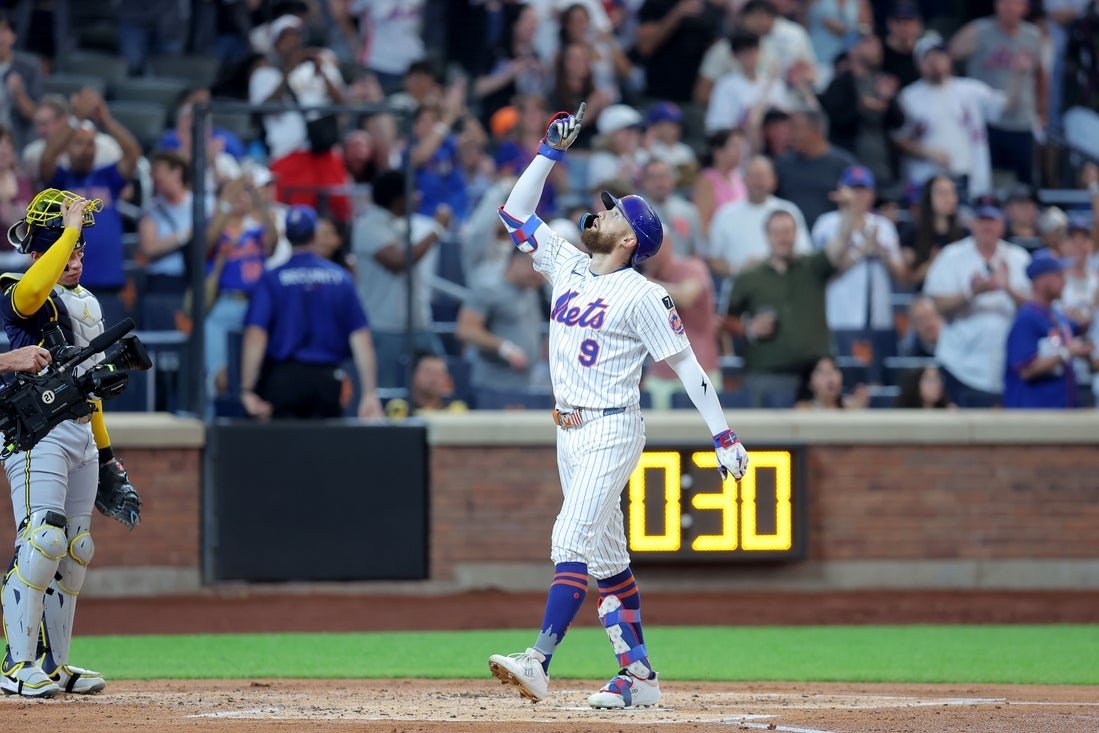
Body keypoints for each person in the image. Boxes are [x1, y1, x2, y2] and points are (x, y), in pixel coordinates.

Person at [486, 104, 749, 709]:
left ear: (628, 238)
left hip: (611, 427)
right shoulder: (571, 265)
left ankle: (539, 660)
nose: (599, 213)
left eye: (612, 212)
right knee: (607, 557)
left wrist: (724, 436)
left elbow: (687, 364)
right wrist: (550, 151)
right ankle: (639, 677)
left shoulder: (645, 296)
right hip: (569, 430)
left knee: (569, 534)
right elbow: (515, 212)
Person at [0, 190, 141, 698]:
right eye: (68, 248)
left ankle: (54, 664)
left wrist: (107, 457)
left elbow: (90, 383)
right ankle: (15, 663)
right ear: (42, 249)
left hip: (79, 427)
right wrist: (66, 232)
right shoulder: (19, 289)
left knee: (75, 549)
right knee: (43, 539)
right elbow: (33, 294)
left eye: (81, 249)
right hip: (33, 431)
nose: (76, 256)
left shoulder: (87, 302)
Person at [238, 205, 382, 420]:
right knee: (325, 450)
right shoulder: (340, 278)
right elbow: (361, 337)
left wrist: (247, 389)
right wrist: (370, 393)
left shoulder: (271, 278)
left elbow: (255, 335)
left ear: (287, 236)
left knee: (284, 450)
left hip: (282, 380)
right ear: (314, 234)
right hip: (327, 381)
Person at [725, 209, 856, 407]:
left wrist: (850, 209)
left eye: (787, 231)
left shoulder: (813, 266)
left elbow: (840, 244)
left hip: (813, 379)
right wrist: (749, 328)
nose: (782, 238)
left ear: (796, 234)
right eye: (776, 232)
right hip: (765, 374)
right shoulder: (748, 277)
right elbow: (726, 320)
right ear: (767, 236)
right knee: (764, 436)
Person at [39, 88, 142, 324]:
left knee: (110, 355)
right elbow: (46, 159)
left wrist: (105, 119)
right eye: (79, 143)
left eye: (91, 144)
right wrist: (75, 119)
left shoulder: (108, 178)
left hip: (109, 284)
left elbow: (133, 152)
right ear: (67, 147)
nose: (87, 149)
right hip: (69, 285)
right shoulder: (60, 181)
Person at [923, 197, 1031, 407]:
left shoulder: (1018, 258)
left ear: (1002, 224)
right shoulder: (951, 256)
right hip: (959, 366)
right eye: (981, 219)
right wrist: (972, 292)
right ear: (972, 222)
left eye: (992, 220)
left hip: (1008, 368)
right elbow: (938, 305)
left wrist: (1008, 289)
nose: (986, 225)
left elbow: (1036, 307)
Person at [350, 169, 450, 388]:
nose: (418, 197)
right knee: (387, 391)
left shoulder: (407, 222)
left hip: (419, 323)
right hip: (385, 327)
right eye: (413, 193)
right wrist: (438, 228)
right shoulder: (369, 225)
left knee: (441, 384)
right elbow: (399, 261)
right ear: (398, 198)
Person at [949, 0, 1045, 186]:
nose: (1009, 7)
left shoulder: (1032, 35)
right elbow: (947, 57)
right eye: (1004, 2)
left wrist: (1042, 110)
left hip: (1021, 120)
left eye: (1014, 3)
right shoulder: (977, 31)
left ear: (1024, 7)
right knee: (986, 180)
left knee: (1025, 182)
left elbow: (1041, 74)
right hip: (986, 121)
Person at [640, 236, 720, 409]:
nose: (643, 253)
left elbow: (686, 297)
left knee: (703, 433)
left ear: (667, 246)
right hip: (659, 374)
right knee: (655, 434)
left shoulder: (692, 267)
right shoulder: (646, 279)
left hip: (699, 369)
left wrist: (644, 284)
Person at [1003, 252, 1091, 408]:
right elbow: (1026, 370)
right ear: (1042, 281)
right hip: (1035, 414)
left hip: (1061, 408)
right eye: (1058, 275)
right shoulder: (1026, 319)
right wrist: (1066, 353)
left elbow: (1079, 327)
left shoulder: (1055, 314)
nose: (1064, 281)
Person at [456, 247, 546, 394]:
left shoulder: (530, 290)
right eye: (533, 266)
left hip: (526, 384)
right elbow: (465, 330)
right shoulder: (488, 288)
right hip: (493, 386)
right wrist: (504, 348)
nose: (537, 275)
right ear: (514, 261)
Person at [708, 155, 811, 279]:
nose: (758, 181)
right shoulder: (725, 214)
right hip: (739, 290)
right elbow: (713, 260)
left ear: (774, 180)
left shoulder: (789, 211)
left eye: (763, 176)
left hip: (783, 289)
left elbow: (805, 253)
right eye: (753, 176)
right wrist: (739, 269)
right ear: (744, 180)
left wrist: (775, 262)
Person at [773, 108, 857, 229]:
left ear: (815, 130)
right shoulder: (782, 164)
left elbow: (861, 199)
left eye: (795, 129)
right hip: (791, 239)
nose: (790, 135)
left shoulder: (844, 165)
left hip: (830, 239)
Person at [901, 175, 967, 290]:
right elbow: (907, 281)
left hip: (958, 296)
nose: (949, 198)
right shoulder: (912, 234)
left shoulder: (965, 234)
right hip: (925, 297)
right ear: (928, 197)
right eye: (942, 193)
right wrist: (932, 263)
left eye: (952, 192)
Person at [793, 354, 869, 409]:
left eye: (834, 369)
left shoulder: (849, 407)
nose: (830, 376)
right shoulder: (804, 410)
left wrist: (858, 410)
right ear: (810, 383)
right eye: (822, 372)